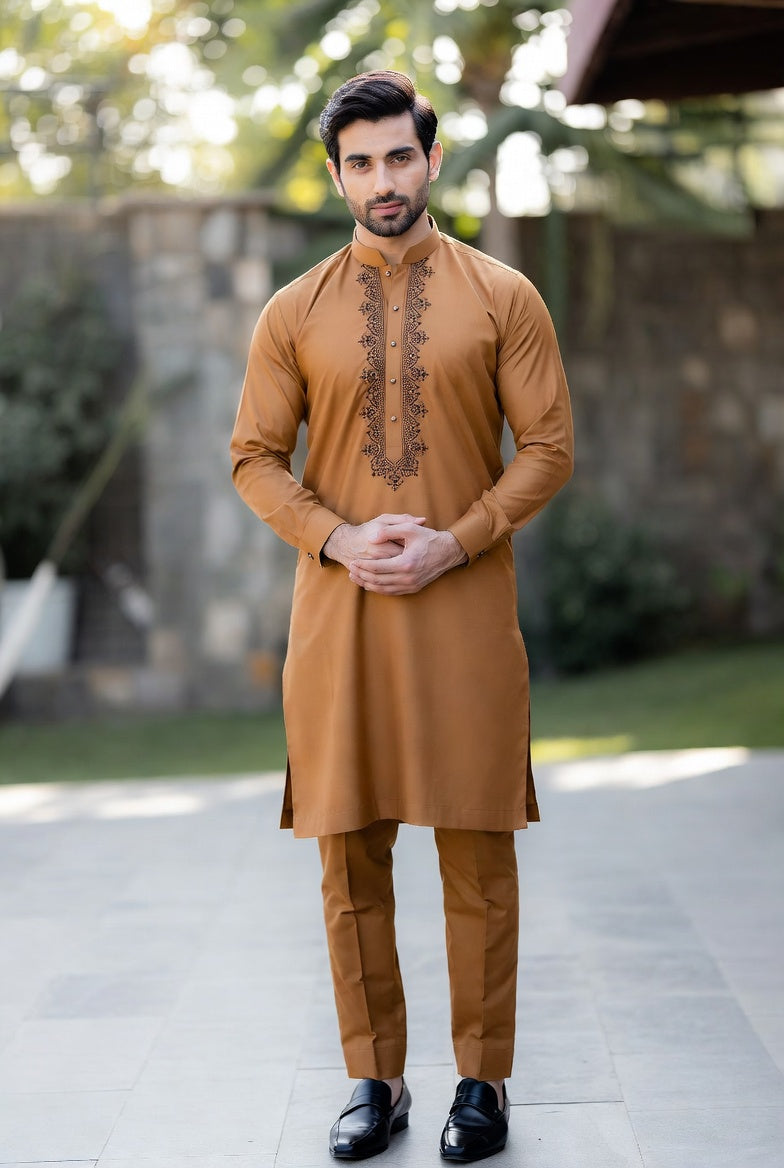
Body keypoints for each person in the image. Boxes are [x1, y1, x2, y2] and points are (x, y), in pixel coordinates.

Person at [231, 70, 573, 1163]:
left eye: (399, 157)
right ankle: (372, 1081)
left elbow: (551, 448)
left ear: (431, 162)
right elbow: (252, 456)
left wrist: (453, 538)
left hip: (466, 613)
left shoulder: (502, 296)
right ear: (336, 175)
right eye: (361, 162)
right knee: (348, 856)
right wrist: (335, 537)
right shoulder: (293, 312)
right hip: (341, 620)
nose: (383, 179)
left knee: (478, 851)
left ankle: (482, 1083)